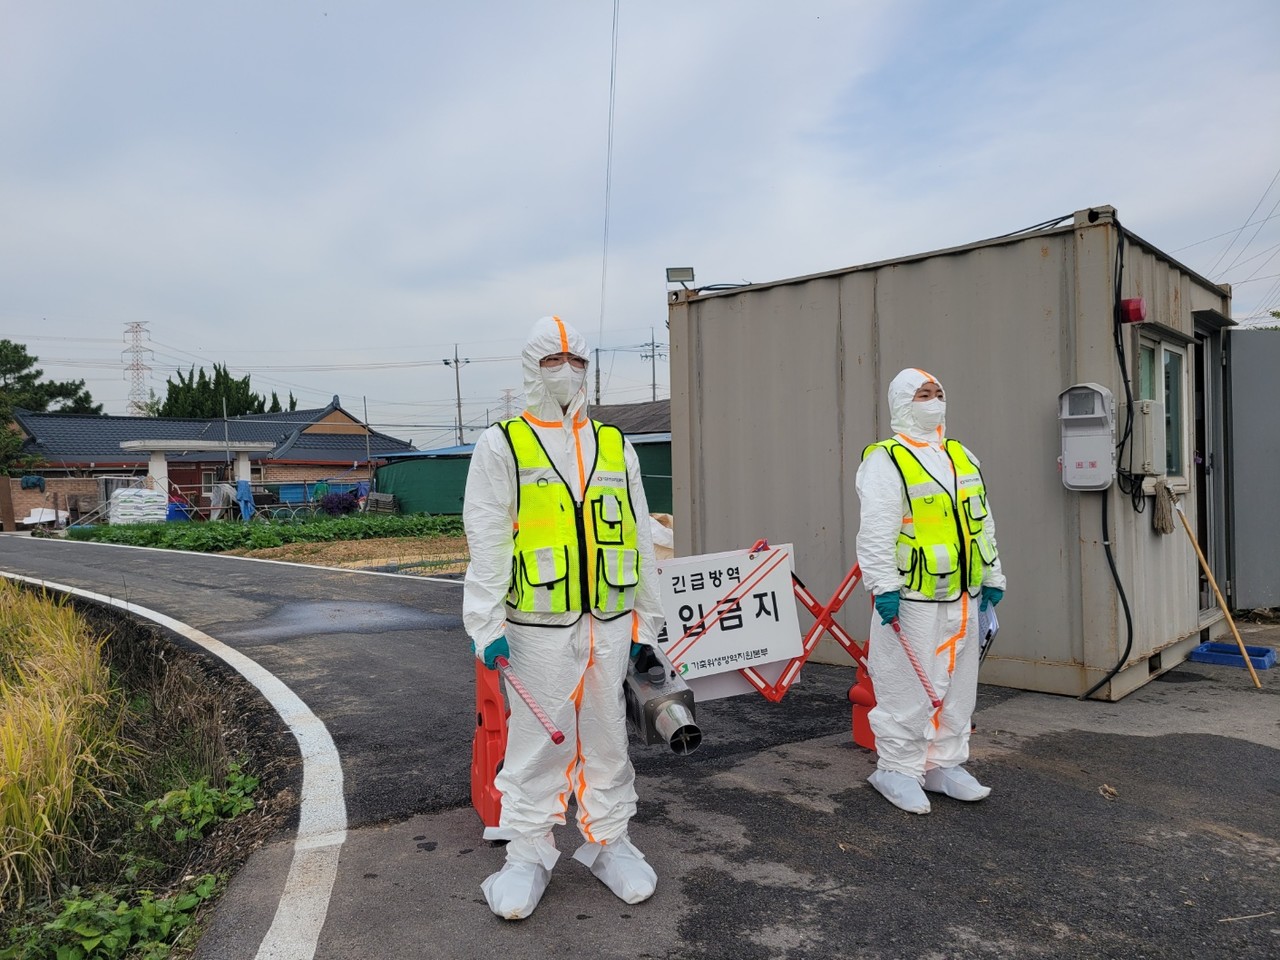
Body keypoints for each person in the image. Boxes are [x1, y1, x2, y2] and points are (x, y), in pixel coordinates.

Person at [463, 315, 665, 919]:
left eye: (576, 359)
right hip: (535, 628)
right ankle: (526, 853)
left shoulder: (614, 444)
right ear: (532, 368)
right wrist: (486, 624)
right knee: (536, 742)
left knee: (608, 737)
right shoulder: (503, 444)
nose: (567, 371)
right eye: (555, 360)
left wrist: (646, 628)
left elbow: (641, 539)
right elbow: (489, 537)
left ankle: (610, 841)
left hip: (609, 620)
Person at [855, 368, 1006, 815]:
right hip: (913, 599)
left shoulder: (962, 456)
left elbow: (984, 524)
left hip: (965, 595)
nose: (934, 400)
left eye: (938, 392)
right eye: (923, 393)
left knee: (959, 686)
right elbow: (876, 532)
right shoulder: (887, 460)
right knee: (908, 685)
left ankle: (945, 763)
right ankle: (897, 769)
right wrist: (883, 587)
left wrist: (993, 576)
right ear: (903, 402)